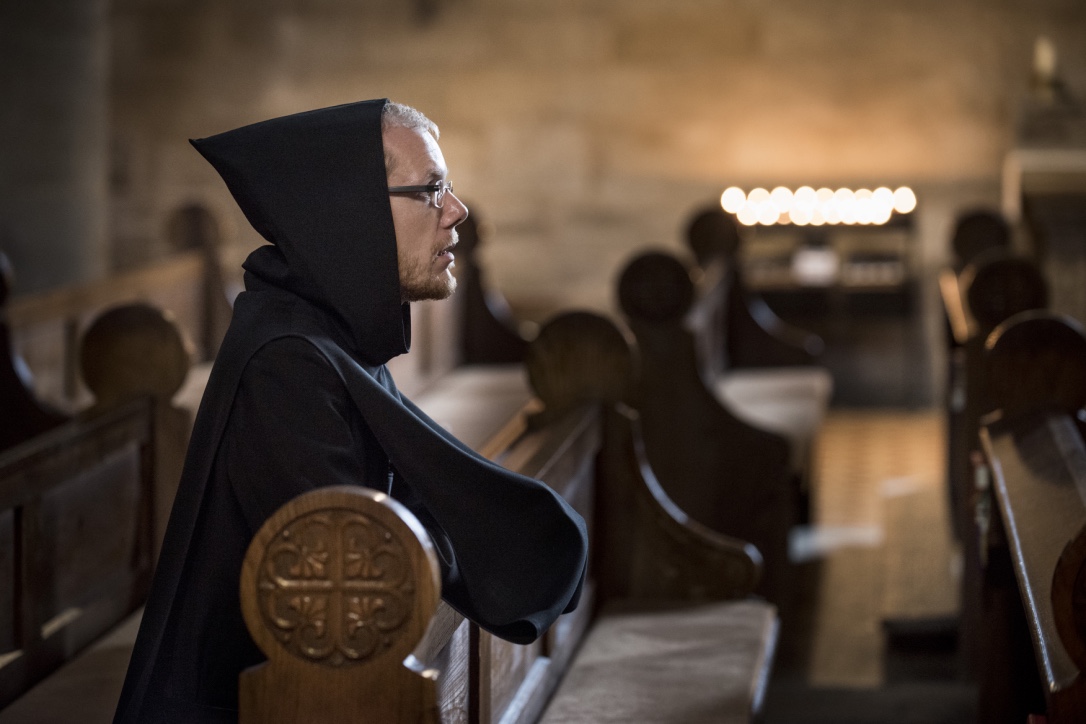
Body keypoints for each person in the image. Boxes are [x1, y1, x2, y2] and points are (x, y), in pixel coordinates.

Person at [114, 99, 588, 723]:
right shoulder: (287, 363)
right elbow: (350, 576)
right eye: (432, 190)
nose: (456, 210)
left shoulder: (330, 330)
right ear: (353, 213)